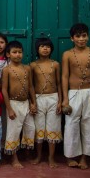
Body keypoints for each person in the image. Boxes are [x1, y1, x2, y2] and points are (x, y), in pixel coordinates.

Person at [62, 23, 90, 169]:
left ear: (88, 36)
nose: (81, 39)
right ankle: (70, 156)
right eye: (78, 36)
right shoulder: (67, 54)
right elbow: (65, 76)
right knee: (71, 124)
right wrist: (65, 98)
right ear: (72, 38)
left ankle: (85, 157)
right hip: (73, 93)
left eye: (84, 35)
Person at [2, 41, 37, 168]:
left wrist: (34, 103)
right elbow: (4, 90)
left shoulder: (27, 68)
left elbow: (31, 86)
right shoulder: (6, 70)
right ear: (8, 54)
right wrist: (9, 108)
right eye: (14, 52)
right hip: (13, 103)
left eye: (20, 52)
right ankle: (14, 158)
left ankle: (26, 153)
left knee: (30, 128)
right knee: (14, 131)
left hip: (26, 103)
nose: (17, 55)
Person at [30, 38, 62, 168]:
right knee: (39, 128)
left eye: (48, 46)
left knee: (53, 128)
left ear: (51, 49)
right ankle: (38, 156)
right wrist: (32, 102)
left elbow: (59, 83)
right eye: (42, 46)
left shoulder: (55, 64)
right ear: (37, 49)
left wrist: (60, 101)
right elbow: (31, 85)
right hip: (38, 98)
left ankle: (51, 157)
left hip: (53, 98)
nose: (45, 49)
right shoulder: (33, 65)